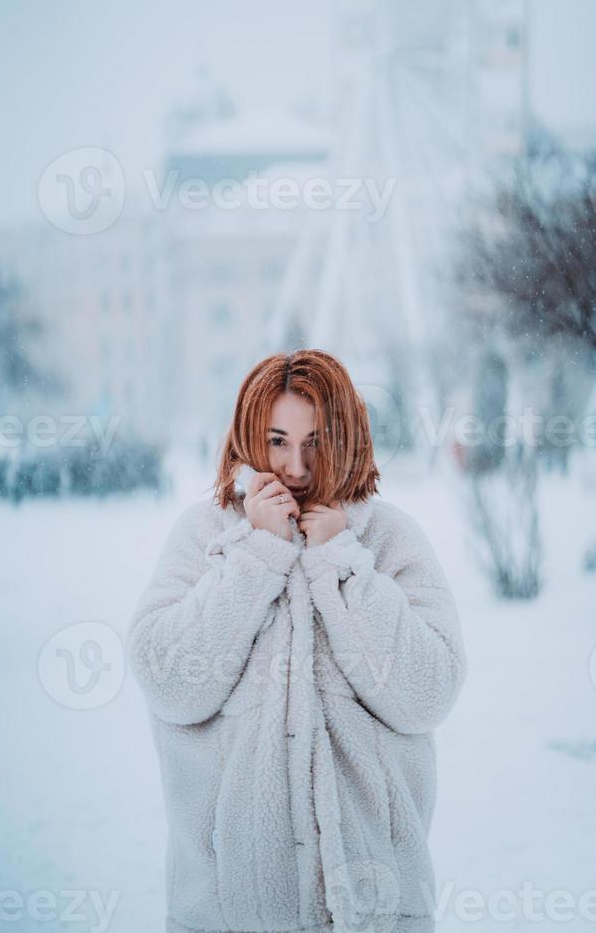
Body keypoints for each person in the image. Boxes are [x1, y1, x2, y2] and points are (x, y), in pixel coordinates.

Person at [126, 348, 468, 933]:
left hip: (375, 911)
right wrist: (256, 556)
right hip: (225, 911)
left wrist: (342, 563)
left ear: (348, 438)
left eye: (316, 442)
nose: (297, 467)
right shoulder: (203, 534)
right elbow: (169, 682)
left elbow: (428, 692)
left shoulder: (388, 540)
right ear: (247, 437)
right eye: (278, 440)